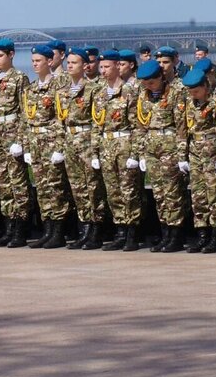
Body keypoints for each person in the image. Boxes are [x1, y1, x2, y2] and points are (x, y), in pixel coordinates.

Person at [22, 44, 72, 249]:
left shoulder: (58, 86)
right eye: (33, 61)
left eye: (38, 61)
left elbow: (62, 119)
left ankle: (58, 232)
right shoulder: (31, 88)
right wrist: (26, 146)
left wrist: (59, 147)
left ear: (49, 62)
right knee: (42, 189)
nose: (34, 64)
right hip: (35, 143)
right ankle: (47, 230)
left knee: (55, 188)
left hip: (50, 143)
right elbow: (27, 119)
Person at [93, 50, 143, 251]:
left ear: (117, 66)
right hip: (106, 145)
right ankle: (120, 230)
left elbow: (137, 125)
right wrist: (95, 152)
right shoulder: (100, 93)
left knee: (129, 191)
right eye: (101, 67)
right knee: (113, 192)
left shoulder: (129, 92)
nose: (103, 71)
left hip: (124, 144)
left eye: (107, 67)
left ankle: (132, 232)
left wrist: (135, 153)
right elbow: (97, 125)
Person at [56, 47, 106, 249]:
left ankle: (96, 231)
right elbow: (60, 120)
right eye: (68, 62)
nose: (69, 66)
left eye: (74, 63)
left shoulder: (94, 89)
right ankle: (84, 229)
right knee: (78, 189)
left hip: (87, 142)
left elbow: (98, 121)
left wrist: (94, 150)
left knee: (93, 188)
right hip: (70, 142)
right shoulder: (64, 89)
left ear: (85, 66)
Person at [136, 59, 189, 251]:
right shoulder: (144, 96)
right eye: (145, 83)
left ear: (160, 77)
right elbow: (140, 125)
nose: (148, 86)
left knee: (172, 192)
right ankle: (165, 232)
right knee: (159, 194)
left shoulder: (176, 93)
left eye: (151, 82)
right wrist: (142, 153)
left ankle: (176, 234)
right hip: (151, 149)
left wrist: (182, 155)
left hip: (170, 148)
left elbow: (182, 126)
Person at [0, 38, 31, 248]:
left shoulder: (20, 78)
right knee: (3, 183)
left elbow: (24, 111)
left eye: (0, 56)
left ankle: (21, 228)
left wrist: (20, 140)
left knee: (17, 183)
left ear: (11, 55)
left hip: (12, 135)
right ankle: (8, 226)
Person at [181, 66, 216, 253]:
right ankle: (202, 234)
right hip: (195, 152)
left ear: (206, 87)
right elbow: (184, 130)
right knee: (198, 195)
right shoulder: (190, 104)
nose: (194, 95)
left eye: (197, 91)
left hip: (212, 151)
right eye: (191, 92)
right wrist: (182, 156)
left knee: (214, 193)